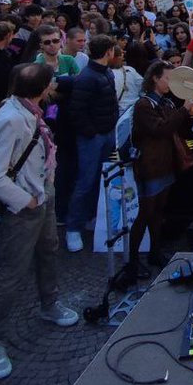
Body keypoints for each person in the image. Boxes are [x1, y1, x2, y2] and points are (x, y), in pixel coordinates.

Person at [0, 63, 79, 381]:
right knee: (12, 274)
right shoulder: (12, 120)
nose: (54, 88)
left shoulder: (25, 109)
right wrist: (27, 199)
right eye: (50, 84)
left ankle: (49, 303)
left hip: (41, 193)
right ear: (42, 88)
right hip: (25, 204)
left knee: (49, 250)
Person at [118, 61, 193, 281]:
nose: (171, 84)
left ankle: (154, 252)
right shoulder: (144, 105)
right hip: (150, 167)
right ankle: (132, 262)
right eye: (168, 79)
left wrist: (188, 113)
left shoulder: (166, 103)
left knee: (158, 211)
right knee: (145, 213)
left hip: (165, 164)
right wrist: (183, 110)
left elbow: (180, 130)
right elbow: (160, 129)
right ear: (155, 78)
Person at [64, 34, 119, 252]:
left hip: (105, 132)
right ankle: (73, 227)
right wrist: (92, 132)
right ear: (108, 52)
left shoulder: (103, 72)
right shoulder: (88, 77)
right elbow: (77, 111)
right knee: (86, 181)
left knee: (102, 178)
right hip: (94, 136)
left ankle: (92, 217)